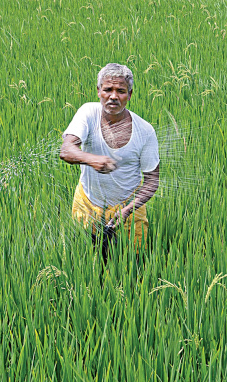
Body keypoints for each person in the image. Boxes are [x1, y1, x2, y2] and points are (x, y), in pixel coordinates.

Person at [60, 63, 159, 256]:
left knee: (135, 261)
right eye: (108, 89)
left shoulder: (145, 131)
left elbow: (152, 181)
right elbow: (66, 150)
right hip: (88, 202)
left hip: (128, 207)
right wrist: (91, 159)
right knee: (84, 258)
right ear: (99, 92)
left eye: (120, 91)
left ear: (129, 95)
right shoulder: (88, 113)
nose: (113, 96)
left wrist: (127, 210)